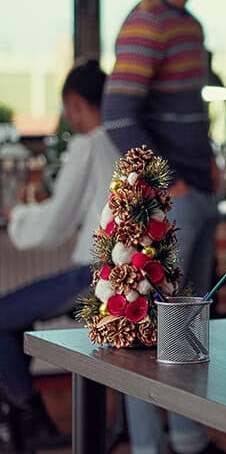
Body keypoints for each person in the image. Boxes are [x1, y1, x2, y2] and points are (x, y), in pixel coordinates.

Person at [101, 0, 224, 454]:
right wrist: (167, 185)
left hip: (197, 197)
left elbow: (181, 114)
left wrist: (207, 172)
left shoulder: (191, 26)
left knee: (188, 334)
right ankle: (152, 447)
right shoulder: (147, 19)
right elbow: (118, 113)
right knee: (151, 336)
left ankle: (188, 439)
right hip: (170, 204)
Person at [0, 61, 118, 451]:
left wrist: (14, 214)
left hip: (95, 275)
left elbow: (56, 222)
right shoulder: (121, 140)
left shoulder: (87, 144)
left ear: (75, 104)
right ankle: (28, 419)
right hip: (118, 273)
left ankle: (31, 419)